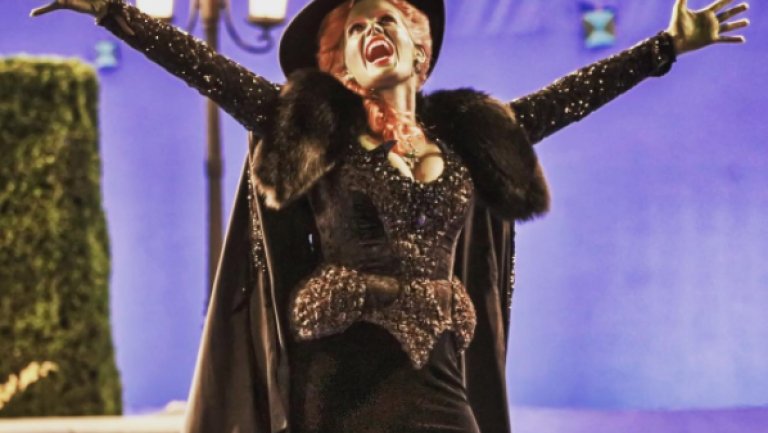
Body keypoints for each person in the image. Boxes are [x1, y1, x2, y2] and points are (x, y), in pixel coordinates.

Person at [30, 0, 750, 432]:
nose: (372, 27)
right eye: (355, 27)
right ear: (341, 64)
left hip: (439, 383)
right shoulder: (320, 132)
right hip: (340, 387)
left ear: (418, 49)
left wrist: (664, 47)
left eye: (387, 19)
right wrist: (117, 14)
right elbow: (214, 73)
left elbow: (561, 102)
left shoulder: (468, 138)